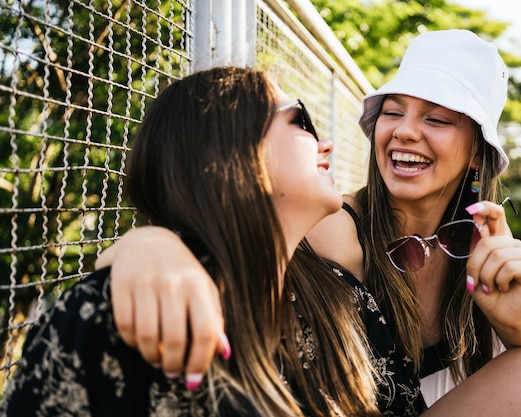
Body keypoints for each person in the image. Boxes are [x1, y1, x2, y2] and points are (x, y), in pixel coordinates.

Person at [95, 31, 521, 416]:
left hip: (455, 394)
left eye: (437, 119)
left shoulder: (483, 242)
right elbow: (210, 242)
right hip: (380, 401)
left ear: (478, 158)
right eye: (392, 112)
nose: (406, 132)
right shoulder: (336, 229)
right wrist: (148, 244)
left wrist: (515, 318)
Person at [0, 66, 382, 416]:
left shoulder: (344, 302)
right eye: (301, 119)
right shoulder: (107, 317)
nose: (326, 143)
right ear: (229, 147)